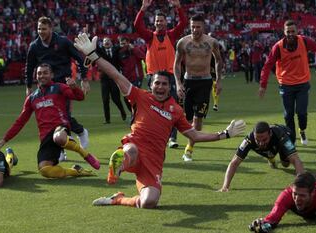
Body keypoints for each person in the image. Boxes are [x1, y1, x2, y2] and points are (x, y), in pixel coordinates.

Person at [74, 33, 245, 208]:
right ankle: (117, 166)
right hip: (136, 146)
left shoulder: (176, 111)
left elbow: (194, 134)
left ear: (169, 87)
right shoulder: (140, 96)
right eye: (157, 83)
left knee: (149, 202)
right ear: (151, 85)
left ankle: (118, 199)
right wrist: (93, 56)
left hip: (154, 160)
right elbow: (115, 75)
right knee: (130, 151)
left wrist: (225, 134)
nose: (160, 87)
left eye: (164, 84)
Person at [0, 63, 100, 178]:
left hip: (60, 127)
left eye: (45, 73)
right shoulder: (32, 98)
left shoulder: (59, 87)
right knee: (45, 170)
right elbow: (21, 121)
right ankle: (76, 171)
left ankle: (84, 153)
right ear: (36, 76)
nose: (42, 75)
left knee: (58, 137)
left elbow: (80, 97)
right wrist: (5, 138)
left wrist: (74, 87)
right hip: (45, 136)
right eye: (39, 73)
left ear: (51, 75)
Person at [259, 20, 316, 146]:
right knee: (288, 115)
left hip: (302, 84)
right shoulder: (278, 47)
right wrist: (263, 85)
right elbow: (267, 66)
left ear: (297, 31)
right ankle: (291, 140)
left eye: (293, 31)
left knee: (302, 113)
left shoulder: (304, 41)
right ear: (284, 32)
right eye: (288, 32)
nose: (290, 34)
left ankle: (302, 130)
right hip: (286, 85)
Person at [249, 145, 316, 233]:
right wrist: (264, 222)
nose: (297, 198)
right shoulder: (288, 194)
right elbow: (274, 215)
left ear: (313, 193)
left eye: (302, 195)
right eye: (295, 194)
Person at [25, 16, 89, 152]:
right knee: (51, 117)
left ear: (50, 28)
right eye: (38, 29)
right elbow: (29, 66)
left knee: (62, 116)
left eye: (43, 28)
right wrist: (28, 86)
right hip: (44, 86)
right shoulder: (34, 46)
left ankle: (76, 136)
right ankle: (69, 141)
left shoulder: (63, 42)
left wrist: (84, 78)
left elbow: (79, 58)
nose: (41, 31)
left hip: (63, 85)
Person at [134, 0, 187, 148]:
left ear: (166, 22)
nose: (159, 23)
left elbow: (183, 23)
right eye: (157, 20)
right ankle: (153, 135)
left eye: (162, 20)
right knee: (151, 107)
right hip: (153, 77)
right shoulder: (150, 37)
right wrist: (143, 9)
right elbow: (137, 26)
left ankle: (172, 138)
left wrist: (178, 7)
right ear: (154, 22)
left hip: (169, 77)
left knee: (173, 107)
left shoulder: (171, 35)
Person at [174, 14, 223, 161]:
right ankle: (190, 141)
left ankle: (189, 149)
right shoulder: (183, 42)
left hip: (205, 82)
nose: (195, 30)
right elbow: (176, 64)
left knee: (198, 119)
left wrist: (218, 80)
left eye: (198, 27)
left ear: (203, 27)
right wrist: (178, 83)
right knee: (187, 119)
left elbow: (219, 61)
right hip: (188, 81)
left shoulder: (212, 42)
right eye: (192, 27)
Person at [219, 121, 304, 192]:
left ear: (270, 134)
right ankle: (271, 157)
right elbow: (234, 162)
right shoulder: (249, 139)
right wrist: (225, 187)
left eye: (264, 139)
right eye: (257, 140)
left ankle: (271, 155)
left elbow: (296, 160)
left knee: (285, 164)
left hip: (287, 135)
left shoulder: (281, 135)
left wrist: (300, 184)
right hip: (271, 145)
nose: (261, 143)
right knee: (267, 150)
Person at [96, 37, 127, 124]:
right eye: (104, 41)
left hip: (114, 78)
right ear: (102, 44)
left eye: (108, 40)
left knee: (116, 98)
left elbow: (122, 46)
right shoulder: (100, 51)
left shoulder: (116, 49)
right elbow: (94, 47)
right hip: (104, 79)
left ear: (111, 43)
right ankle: (107, 119)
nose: (106, 42)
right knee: (105, 99)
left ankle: (122, 111)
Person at [117, 36, 146, 113]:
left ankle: (137, 114)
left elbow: (142, 56)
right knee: (126, 98)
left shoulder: (134, 50)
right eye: (121, 44)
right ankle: (134, 113)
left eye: (124, 43)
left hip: (136, 77)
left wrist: (133, 49)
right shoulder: (119, 53)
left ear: (128, 43)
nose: (123, 45)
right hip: (126, 79)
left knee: (134, 97)